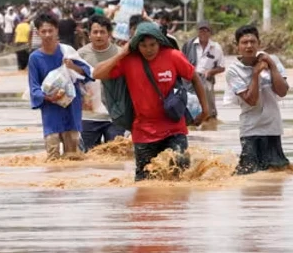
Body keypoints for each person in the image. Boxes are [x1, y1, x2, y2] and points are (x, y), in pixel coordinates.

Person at [93, 22, 212, 181]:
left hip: (174, 128)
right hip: (143, 132)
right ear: (136, 45)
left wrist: (205, 110)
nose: (148, 49)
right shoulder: (129, 60)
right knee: (144, 182)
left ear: (159, 42)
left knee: (179, 172)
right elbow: (97, 74)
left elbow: (195, 78)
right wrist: (122, 53)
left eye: (152, 44)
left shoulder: (173, 56)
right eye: (143, 45)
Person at [225, 25, 291, 175]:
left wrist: (272, 66)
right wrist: (255, 74)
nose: (249, 46)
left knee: (276, 174)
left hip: (273, 128)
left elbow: (282, 91)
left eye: (252, 42)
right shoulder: (234, 71)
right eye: (244, 42)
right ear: (237, 47)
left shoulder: (272, 60)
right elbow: (251, 100)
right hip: (251, 130)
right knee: (249, 174)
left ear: (259, 44)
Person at [28, 13, 92, 159]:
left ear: (57, 30)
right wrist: (48, 97)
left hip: (71, 107)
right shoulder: (35, 58)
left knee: (73, 155)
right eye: (43, 31)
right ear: (38, 33)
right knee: (53, 153)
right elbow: (34, 87)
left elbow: (88, 73)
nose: (47, 34)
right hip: (50, 110)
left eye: (50, 30)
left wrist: (73, 66)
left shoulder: (67, 51)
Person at [77, 15, 126, 150]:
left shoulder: (120, 54)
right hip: (88, 117)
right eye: (95, 32)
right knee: (88, 159)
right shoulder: (80, 55)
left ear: (109, 34)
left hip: (115, 117)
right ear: (89, 35)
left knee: (116, 157)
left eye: (102, 32)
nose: (99, 36)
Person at [184, 21, 225, 127]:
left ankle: (210, 119)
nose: (203, 33)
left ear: (210, 32)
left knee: (209, 104)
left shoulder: (216, 47)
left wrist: (211, 72)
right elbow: (181, 61)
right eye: (201, 30)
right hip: (190, 78)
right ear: (197, 32)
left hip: (207, 78)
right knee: (190, 102)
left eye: (206, 30)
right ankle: (191, 121)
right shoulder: (189, 45)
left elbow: (222, 67)